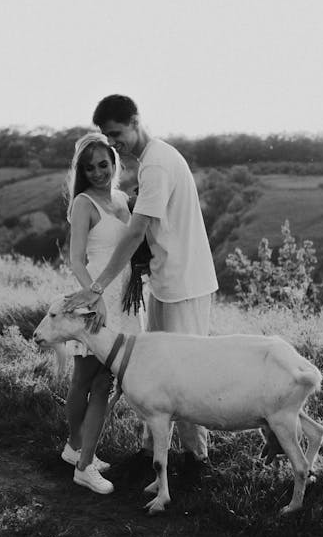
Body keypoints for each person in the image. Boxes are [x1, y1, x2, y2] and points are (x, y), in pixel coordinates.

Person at [63, 95, 218, 477]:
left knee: (183, 372)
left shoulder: (158, 165)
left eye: (116, 134)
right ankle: (153, 449)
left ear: (135, 121)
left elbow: (135, 234)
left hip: (184, 282)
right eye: (106, 136)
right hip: (165, 283)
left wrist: (97, 288)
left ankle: (195, 459)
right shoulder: (150, 163)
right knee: (153, 368)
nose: (114, 143)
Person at [62, 132, 142, 495]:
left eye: (103, 164)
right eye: (89, 167)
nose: (97, 172)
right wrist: (94, 297)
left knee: (103, 381)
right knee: (90, 379)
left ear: (114, 162)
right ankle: (81, 459)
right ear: (81, 170)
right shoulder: (83, 203)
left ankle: (78, 449)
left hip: (123, 296)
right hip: (96, 294)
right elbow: (76, 259)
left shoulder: (123, 199)